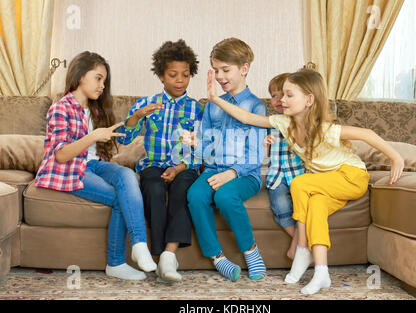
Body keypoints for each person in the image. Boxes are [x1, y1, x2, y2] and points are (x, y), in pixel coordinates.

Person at [202, 63, 405, 294]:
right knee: (315, 206)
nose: (282, 100)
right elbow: (248, 118)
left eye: (290, 95)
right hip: (326, 183)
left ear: (309, 100)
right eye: (282, 95)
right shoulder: (284, 123)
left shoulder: (324, 129)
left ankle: (300, 248)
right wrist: (215, 99)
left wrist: (396, 158)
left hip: (351, 177)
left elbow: (367, 134)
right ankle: (321, 271)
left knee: (300, 183)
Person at [35, 51, 156, 280]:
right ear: (81, 76)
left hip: (94, 165)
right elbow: (60, 155)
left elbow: (121, 139)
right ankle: (116, 263)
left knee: (127, 175)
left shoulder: (97, 109)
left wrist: (137, 117)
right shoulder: (61, 108)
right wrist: (92, 136)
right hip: (70, 169)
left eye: (104, 80)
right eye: (98, 78)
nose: (102, 85)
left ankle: (139, 246)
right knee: (122, 198)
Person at [116, 39, 204, 283]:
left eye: (185, 75)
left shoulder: (196, 108)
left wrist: (177, 169)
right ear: (161, 76)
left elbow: (200, 147)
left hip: (183, 165)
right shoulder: (146, 104)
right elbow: (125, 137)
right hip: (153, 164)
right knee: (154, 189)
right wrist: (136, 117)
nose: (179, 80)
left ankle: (169, 255)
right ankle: (155, 256)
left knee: (182, 191)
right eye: (173, 75)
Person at [183, 38, 267, 282]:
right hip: (212, 169)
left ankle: (251, 252)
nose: (220, 76)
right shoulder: (212, 107)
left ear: (244, 68)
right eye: (216, 70)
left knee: (225, 196)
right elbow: (206, 147)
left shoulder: (256, 106)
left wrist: (232, 172)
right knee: (195, 196)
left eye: (225, 70)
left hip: (245, 174)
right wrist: (195, 144)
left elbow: (255, 154)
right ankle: (217, 258)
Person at [264, 72, 305, 260]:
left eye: (286, 95)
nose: (280, 100)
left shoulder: (302, 121)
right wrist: (265, 144)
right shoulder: (270, 123)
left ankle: (298, 246)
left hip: (299, 174)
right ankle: (300, 243)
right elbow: (264, 158)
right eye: (274, 96)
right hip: (277, 176)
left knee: (303, 209)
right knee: (280, 208)